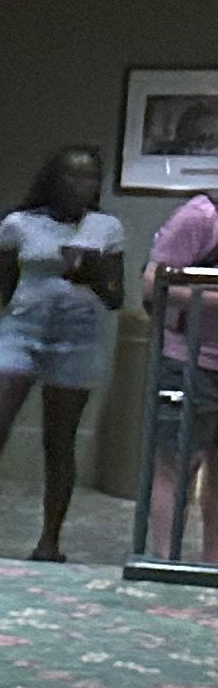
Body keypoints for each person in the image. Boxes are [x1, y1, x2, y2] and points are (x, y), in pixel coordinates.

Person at [0, 142, 126, 558]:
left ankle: (50, 541)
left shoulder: (106, 228)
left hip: (77, 342)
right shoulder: (20, 224)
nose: (82, 184)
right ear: (54, 178)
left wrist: (92, 274)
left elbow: (115, 298)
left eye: (91, 176)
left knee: (60, 441)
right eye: (73, 174)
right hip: (20, 335)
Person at [147, 185, 217, 557]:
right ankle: (166, 562)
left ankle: (212, 567)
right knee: (177, 463)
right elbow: (154, 283)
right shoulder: (201, 215)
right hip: (190, 360)